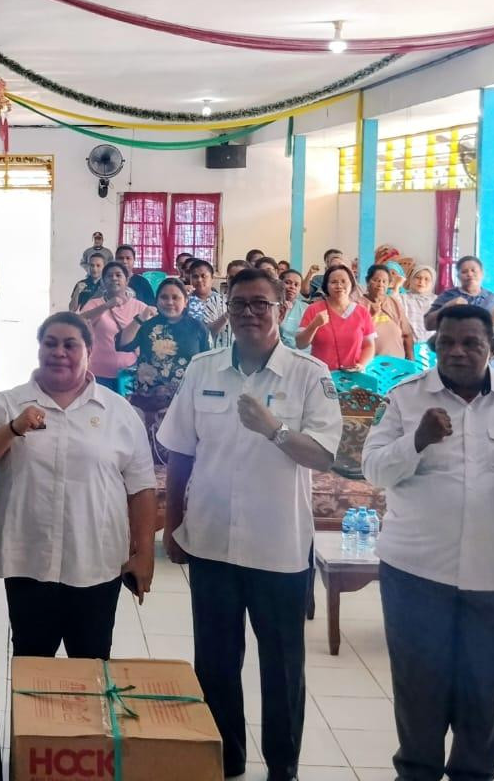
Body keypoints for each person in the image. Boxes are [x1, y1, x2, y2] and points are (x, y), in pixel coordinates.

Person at [159, 268, 342, 781]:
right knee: (215, 662)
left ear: (280, 309)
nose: (249, 313)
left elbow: (324, 455)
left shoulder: (308, 374)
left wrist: (276, 430)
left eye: (261, 304)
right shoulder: (204, 369)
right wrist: (173, 525)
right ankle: (227, 758)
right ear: (228, 309)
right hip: (211, 540)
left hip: (278, 547)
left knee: (282, 666)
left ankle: (283, 766)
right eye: (239, 304)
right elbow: (180, 453)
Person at [363, 305, 494, 781]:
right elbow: (373, 470)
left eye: (471, 343)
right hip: (417, 573)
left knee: (487, 693)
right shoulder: (405, 399)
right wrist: (417, 441)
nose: (457, 352)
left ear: (492, 348)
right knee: (418, 690)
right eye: (446, 342)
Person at [0, 313, 156, 657]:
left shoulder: (118, 411)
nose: (59, 352)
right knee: (31, 667)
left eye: (70, 345)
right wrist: (13, 429)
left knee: (91, 667)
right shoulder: (8, 404)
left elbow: (141, 488)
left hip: (97, 563)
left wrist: (145, 554)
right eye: (50, 344)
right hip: (29, 562)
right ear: (39, 349)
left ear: (89, 351)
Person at [115, 278, 210, 459]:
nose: (169, 302)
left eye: (175, 297)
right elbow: (122, 344)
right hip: (149, 401)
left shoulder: (198, 328)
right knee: (148, 455)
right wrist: (140, 318)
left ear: (186, 301)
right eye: (164, 297)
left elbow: (206, 364)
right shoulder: (147, 325)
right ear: (157, 301)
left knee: (181, 457)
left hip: (185, 403)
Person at [79, 261, 148, 392]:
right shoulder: (94, 304)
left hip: (129, 374)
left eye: (118, 275)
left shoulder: (140, 307)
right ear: (103, 282)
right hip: (98, 373)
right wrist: (106, 306)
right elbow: (79, 322)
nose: (114, 278)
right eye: (109, 276)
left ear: (127, 280)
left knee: (127, 405)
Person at [297, 264, 376, 372]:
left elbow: (369, 346)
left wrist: (362, 365)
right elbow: (300, 344)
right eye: (333, 282)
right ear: (326, 286)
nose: (339, 285)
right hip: (321, 375)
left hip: (353, 376)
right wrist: (314, 325)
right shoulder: (313, 309)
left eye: (343, 281)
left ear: (351, 284)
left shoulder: (362, 312)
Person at [424, 255, 494, 332]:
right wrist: (447, 307)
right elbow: (428, 325)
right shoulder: (448, 295)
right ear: (458, 276)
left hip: (484, 342)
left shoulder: (493, 299)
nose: (470, 274)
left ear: (482, 274)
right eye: (464, 271)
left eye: (473, 270)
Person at [362, 263, 414, 359]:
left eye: (384, 281)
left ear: (389, 284)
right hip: (371, 364)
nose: (380, 284)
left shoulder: (393, 302)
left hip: (399, 362)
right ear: (367, 281)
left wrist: (411, 361)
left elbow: (407, 334)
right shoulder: (359, 305)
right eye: (376, 280)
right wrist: (372, 315)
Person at [186, 258, 230, 347]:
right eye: (195, 277)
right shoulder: (184, 301)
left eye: (203, 276)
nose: (199, 280)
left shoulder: (223, 301)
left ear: (212, 278)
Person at [278, 268, 309, 349]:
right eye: (288, 283)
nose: (292, 287)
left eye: (296, 285)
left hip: (302, 353)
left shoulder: (307, 308)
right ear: (279, 283)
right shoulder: (271, 306)